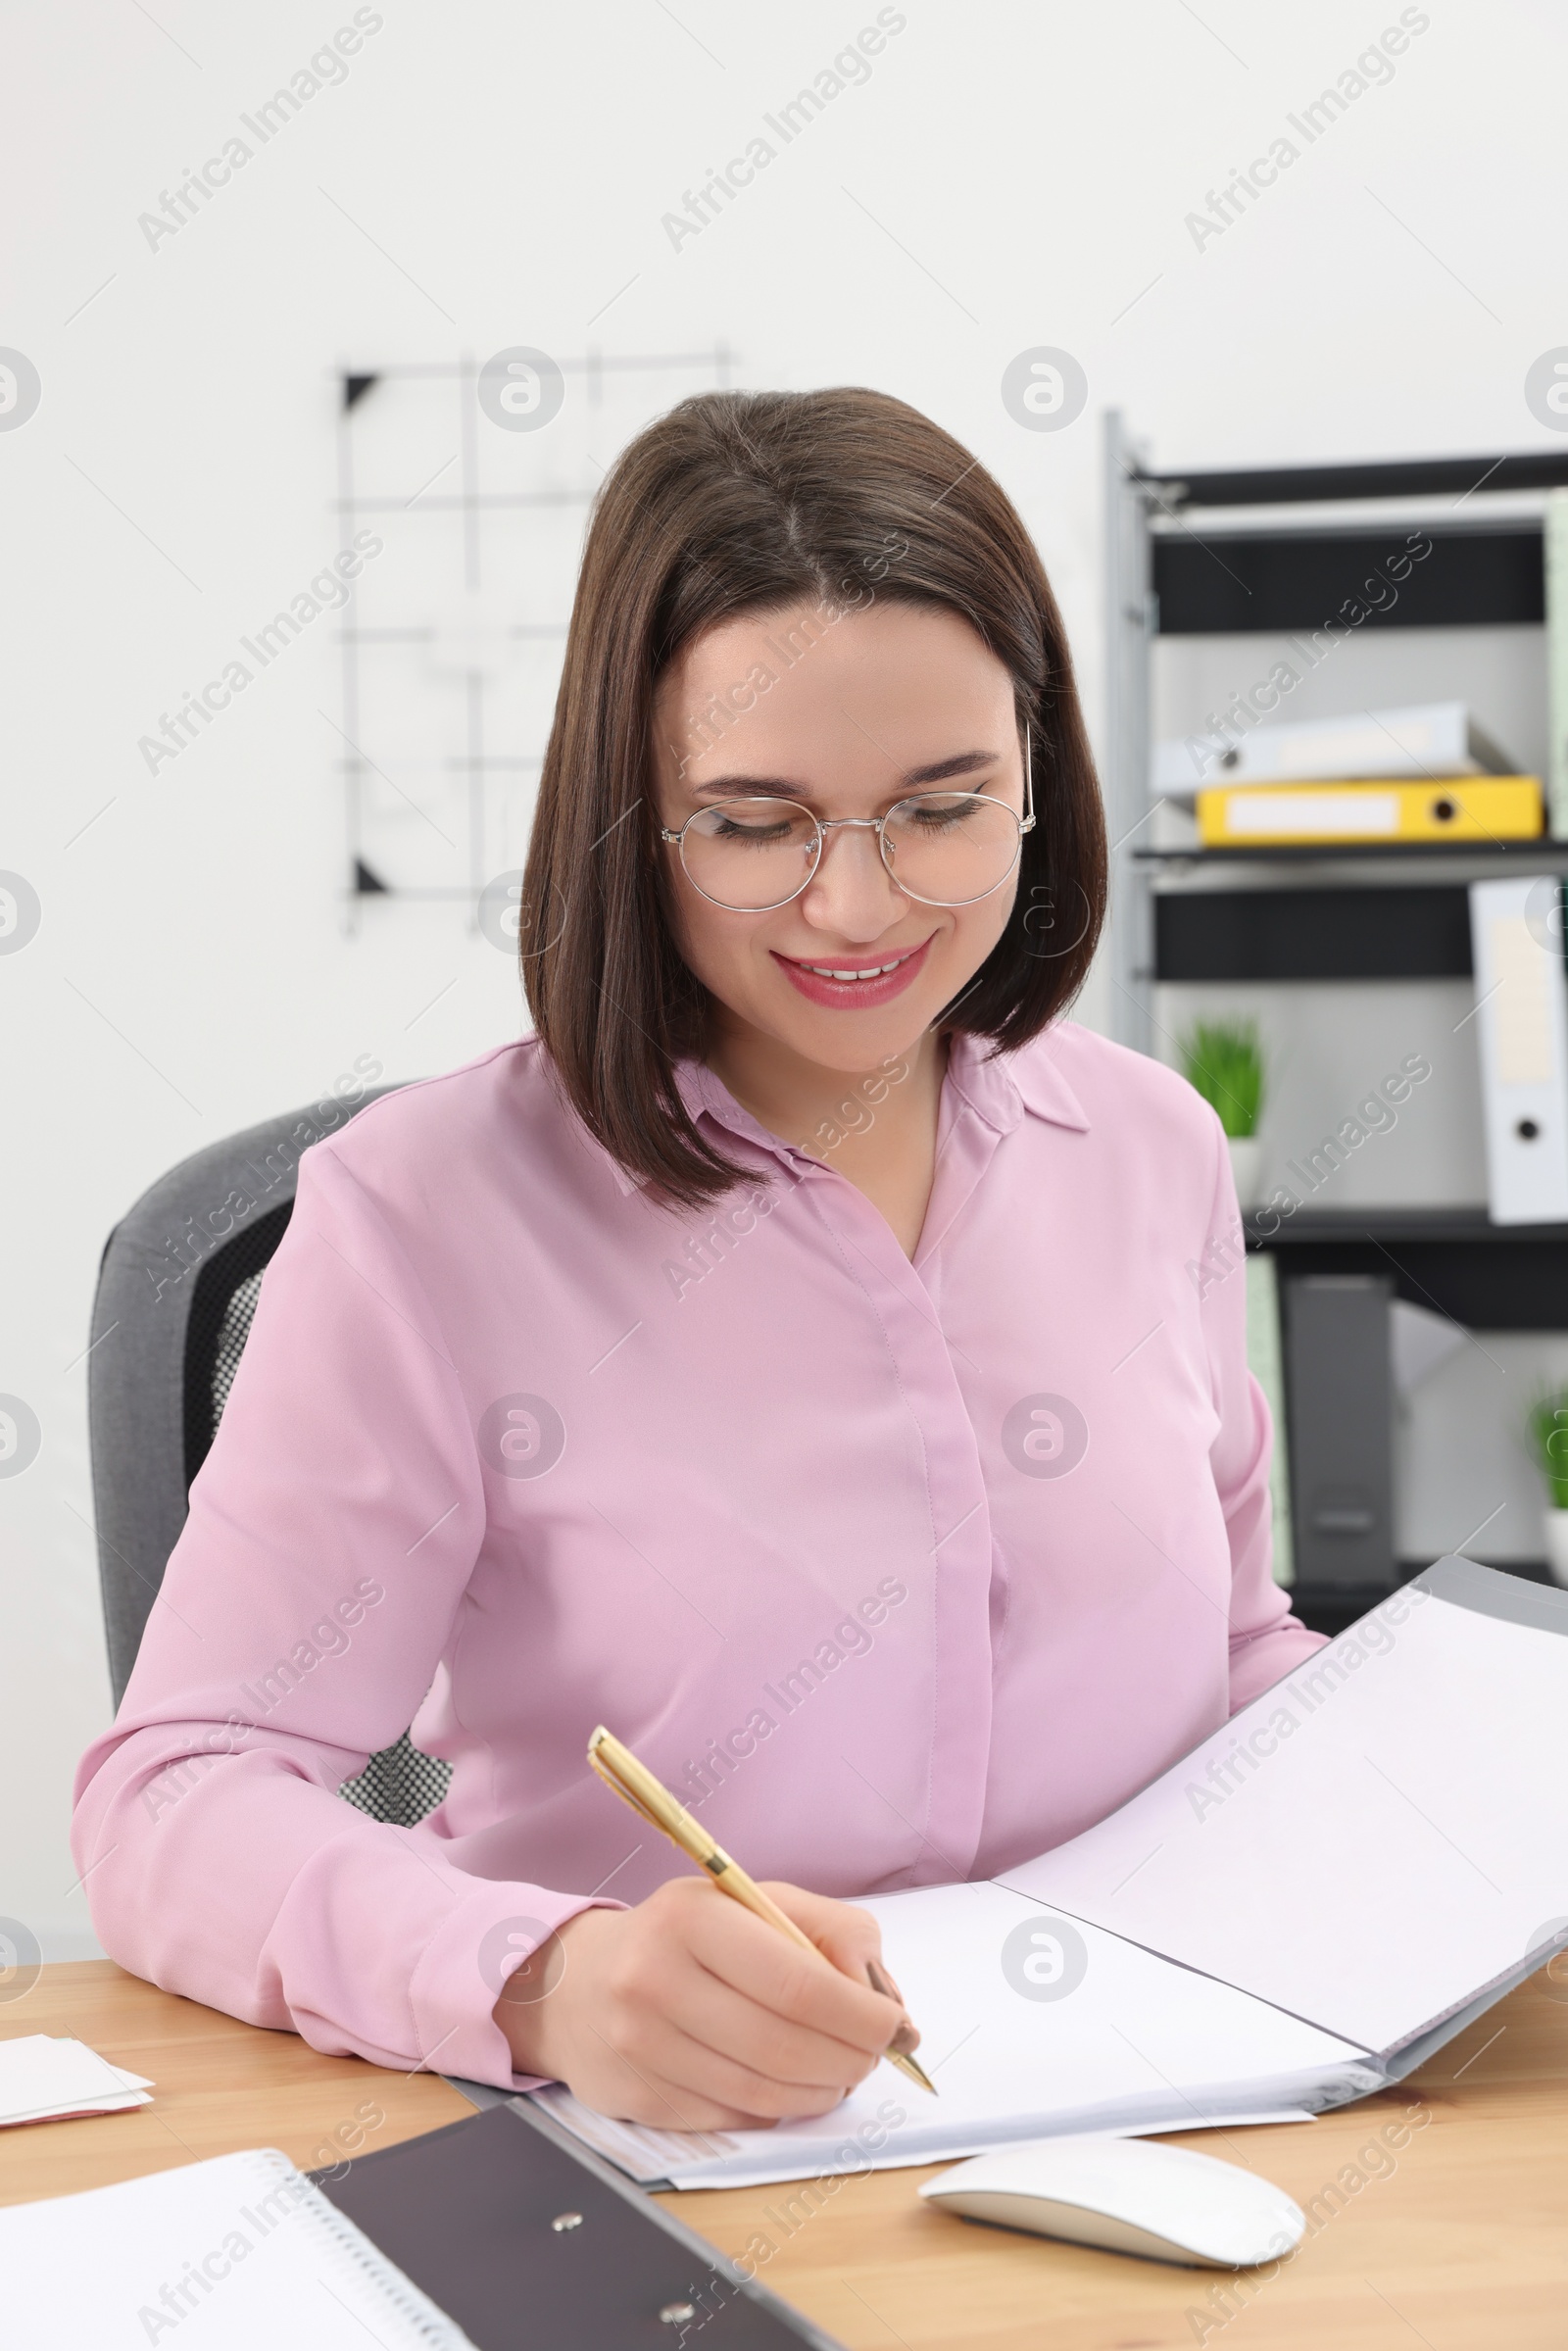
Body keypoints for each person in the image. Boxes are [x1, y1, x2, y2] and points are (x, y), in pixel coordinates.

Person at [73, 387, 1322, 2133]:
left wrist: (1443, 1800)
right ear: (631, 817)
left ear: (1038, 779)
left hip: (1173, 2116)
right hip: (680, 2167)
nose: (861, 905)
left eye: (942, 807)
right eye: (755, 823)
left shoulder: (1149, 1146)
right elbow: (180, 1792)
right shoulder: (430, 1217)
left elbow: (1233, 1652)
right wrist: (545, 1976)